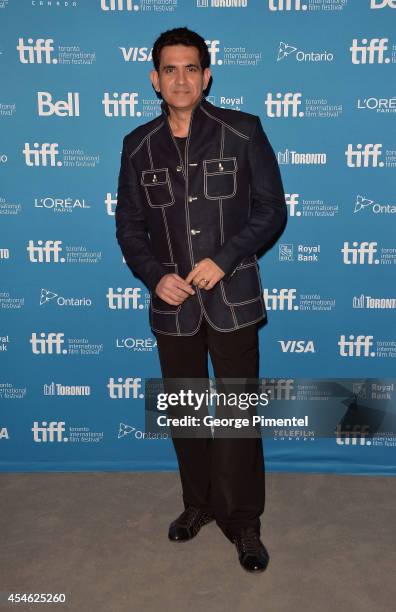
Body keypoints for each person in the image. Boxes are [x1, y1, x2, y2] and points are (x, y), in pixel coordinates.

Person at [115, 27, 287, 573]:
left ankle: (244, 523)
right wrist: (152, 275)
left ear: (207, 75)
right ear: (154, 79)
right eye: (170, 69)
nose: (181, 78)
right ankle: (198, 504)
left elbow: (270, 210)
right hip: (173, 304)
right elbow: (129, 226)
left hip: (232, 296)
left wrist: (225, 258)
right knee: (185, 410)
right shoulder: (138, 145)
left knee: (237, 412)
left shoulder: (242, 131)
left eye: (191, 68)